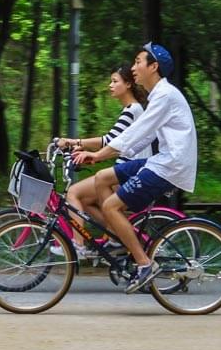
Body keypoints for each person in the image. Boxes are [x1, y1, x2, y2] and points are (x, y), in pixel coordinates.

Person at [72, 43, 197, 293]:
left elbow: (136, 133)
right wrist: (101, 157)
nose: (133, 67)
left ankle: (144, 264)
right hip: (162, 160)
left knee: (109, 205)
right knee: (102, 178)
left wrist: (98, 154)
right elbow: (139, 137)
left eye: (138, 62)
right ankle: (115, 237)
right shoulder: (158, 95)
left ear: (154, 66)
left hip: (169, 166)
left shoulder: (165, 96)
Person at [55, 64, 151, 257]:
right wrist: (83, 149)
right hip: (127, 171)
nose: (110, 85)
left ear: (128, 84)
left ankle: (78, 244)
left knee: (73, 192)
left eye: (115, 81)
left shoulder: (132, 110)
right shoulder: (133, 110)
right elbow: (113, 143)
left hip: (129, 174)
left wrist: (74, 141)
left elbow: (109, 140)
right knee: (86, 202)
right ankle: (116, 235)